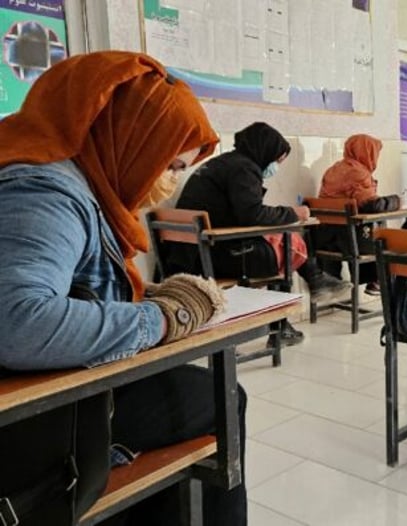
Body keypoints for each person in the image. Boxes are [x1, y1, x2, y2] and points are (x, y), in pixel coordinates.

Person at [0, 51, 247, 525]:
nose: (171, 181)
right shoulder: (45, 190)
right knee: (221, 397)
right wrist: (164, 318)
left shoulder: (54, 170)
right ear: (125, 136)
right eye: (170, 163)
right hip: (35, 424)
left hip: (47, 400)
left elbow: (64, 281)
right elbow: (18, 322)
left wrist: (144, 296)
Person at [171, 122, 350, 342]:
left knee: (282, 240)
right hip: (213, 257)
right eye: (277, 160)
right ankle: (285, 322)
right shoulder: (243, 168)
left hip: (190, 255)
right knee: (286, 246)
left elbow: (240, 215)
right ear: (265, 150)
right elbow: (252, 214)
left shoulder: (222, 163)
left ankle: (314, 281)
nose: (275, 167)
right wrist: (294, 213)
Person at [316, 134, 400, 295]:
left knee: (370, 229)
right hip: (348, 242)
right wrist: (396, 201)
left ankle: (373, 281)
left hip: (324, 239)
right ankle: (377, 281)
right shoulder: (358, 172)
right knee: (384, 236)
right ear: (368, 152)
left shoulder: (332, 169)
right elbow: (372, 205)